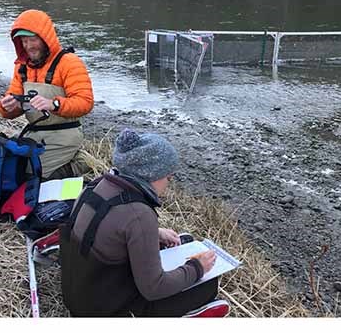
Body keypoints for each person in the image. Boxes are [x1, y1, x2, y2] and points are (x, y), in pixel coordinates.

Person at [60, 128, 229, 317]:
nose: (169, 183)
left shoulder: (96, 186)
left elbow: (104, 226)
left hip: (78, 292)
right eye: (168, 177)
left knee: (184, 240)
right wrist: (197, 268)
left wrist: (154, 233)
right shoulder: (139, 213)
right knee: (207, 285)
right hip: (106, 309)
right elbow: (154, 288)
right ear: (151, 175)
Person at [0, 9, 94, 180]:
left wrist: (54, 104)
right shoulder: (22, 67)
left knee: (34, 173)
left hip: (65, 134)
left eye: (33, 40)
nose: (28, 46)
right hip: (34, 133)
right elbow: (8, 109)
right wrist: (6, 107)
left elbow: (85, 103)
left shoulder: (69, 63)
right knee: (10, 165)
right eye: (24, 41)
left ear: (46, 38)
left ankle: (80, 164)